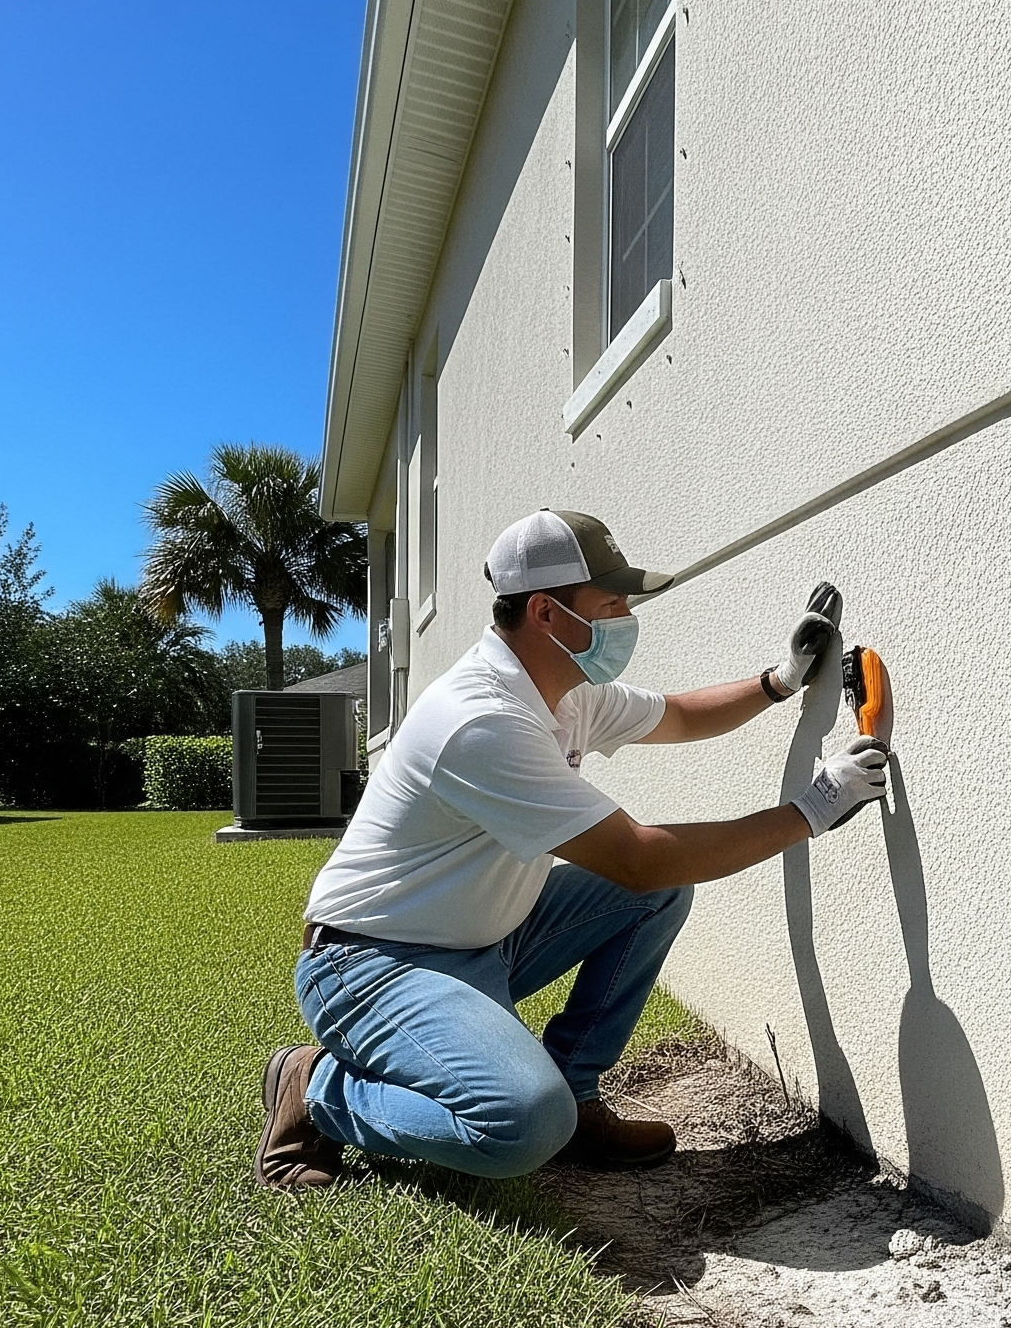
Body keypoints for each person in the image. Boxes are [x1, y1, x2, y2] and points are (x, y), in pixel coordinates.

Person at [255, 507, 886, 1190]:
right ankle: (316, 1087)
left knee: (653, 899)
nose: (626, 616)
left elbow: (676, 714)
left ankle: (574, 1092)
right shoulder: (481, 720)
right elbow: (637, 857)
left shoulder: (565, 693)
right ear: (548, 614)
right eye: (611, 602)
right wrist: (813, 810)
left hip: (485, 942)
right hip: (372, 965)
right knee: (521, 1124)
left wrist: (779, 682)